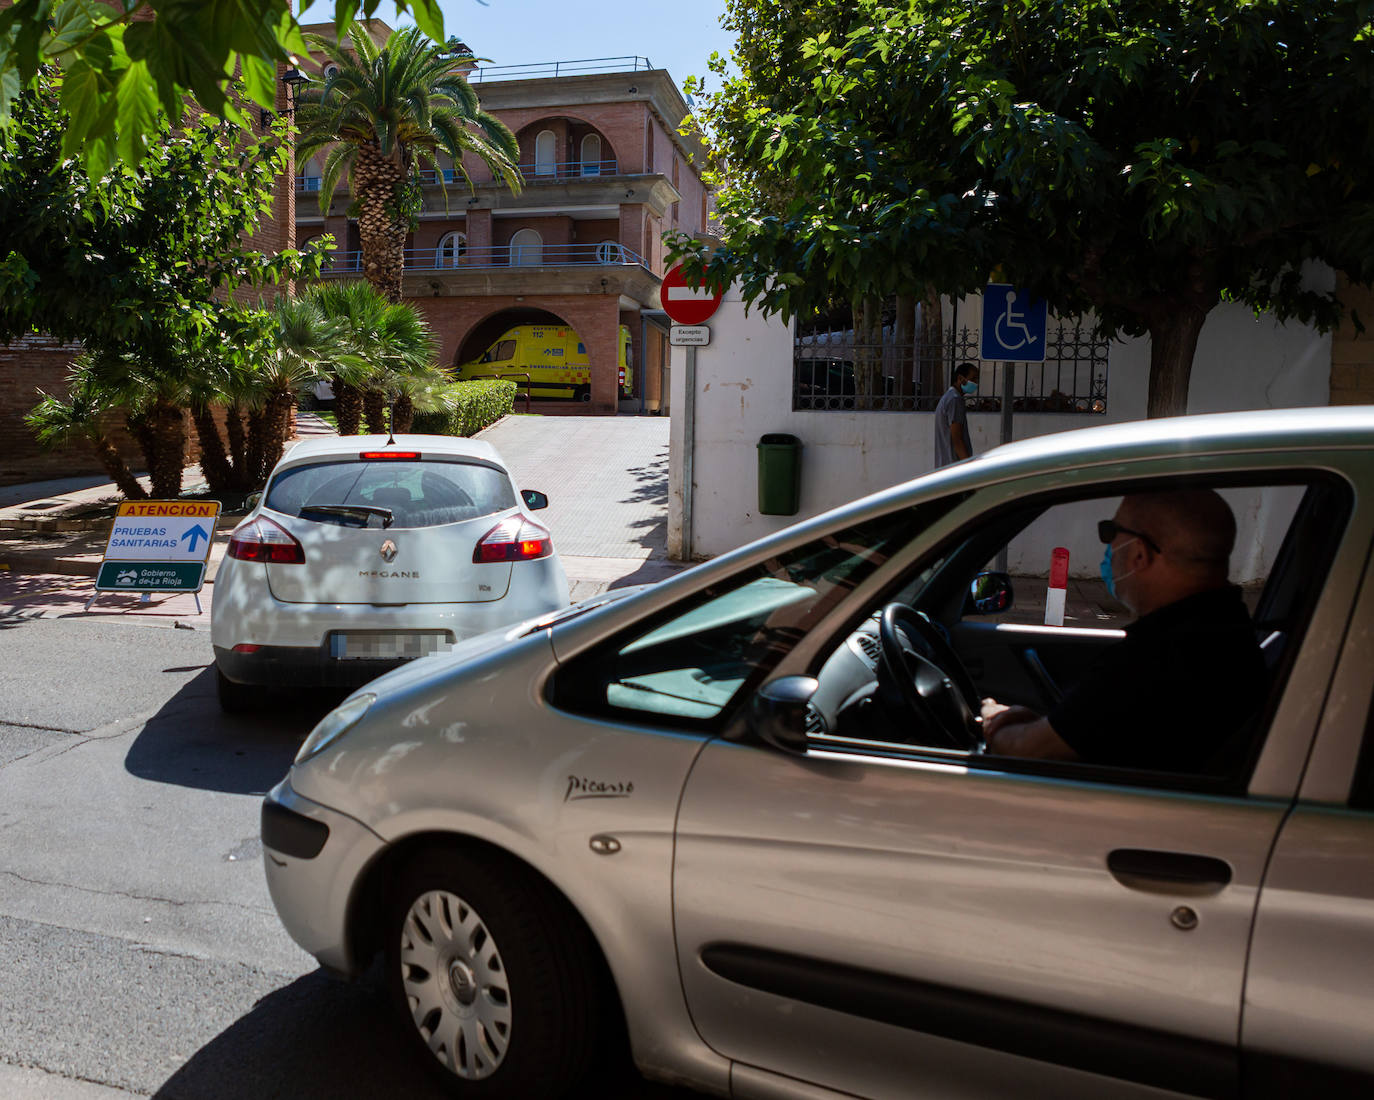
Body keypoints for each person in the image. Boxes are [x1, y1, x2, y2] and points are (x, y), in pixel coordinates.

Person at [981, 489, 1267, 772]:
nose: (1109, 547)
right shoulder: (1228, 638)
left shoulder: (1152, 662)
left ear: (1140, 555)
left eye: (1111, 531)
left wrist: (994, 720)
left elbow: (1027, 751)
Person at [934, 362, 978, 467]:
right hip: (953, 466)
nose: (976, 383)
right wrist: (968, 467)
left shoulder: (949, 397)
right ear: (960, 378)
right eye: (973, 379)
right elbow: (957, 439)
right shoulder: (955, 400)